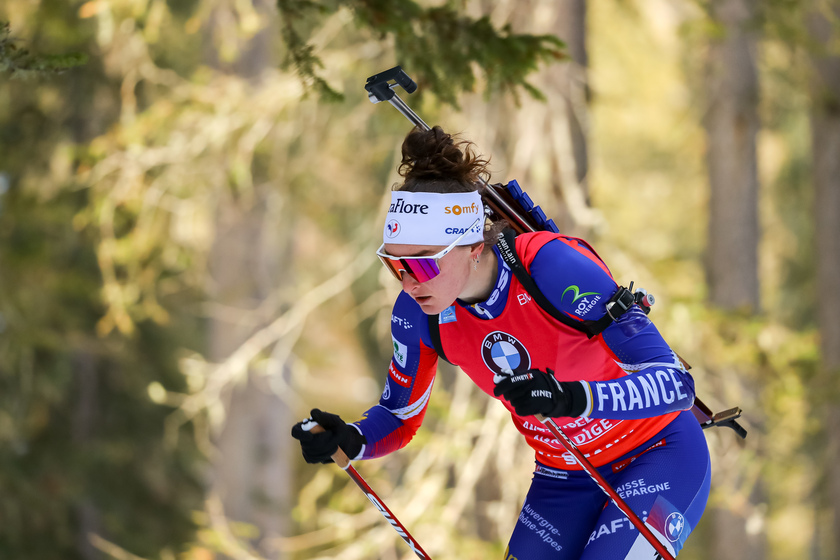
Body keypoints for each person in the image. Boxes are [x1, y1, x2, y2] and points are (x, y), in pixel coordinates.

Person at [291, 125, 711, 559]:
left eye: (424, 264)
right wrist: (350, 438)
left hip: (659, 453)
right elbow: (400, 415)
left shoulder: (552, 265)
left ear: (473, 246)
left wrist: (570, 399)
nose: (410, 281)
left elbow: (676, 386)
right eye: (396, 265)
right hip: (564, 476)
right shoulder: (418, 314)